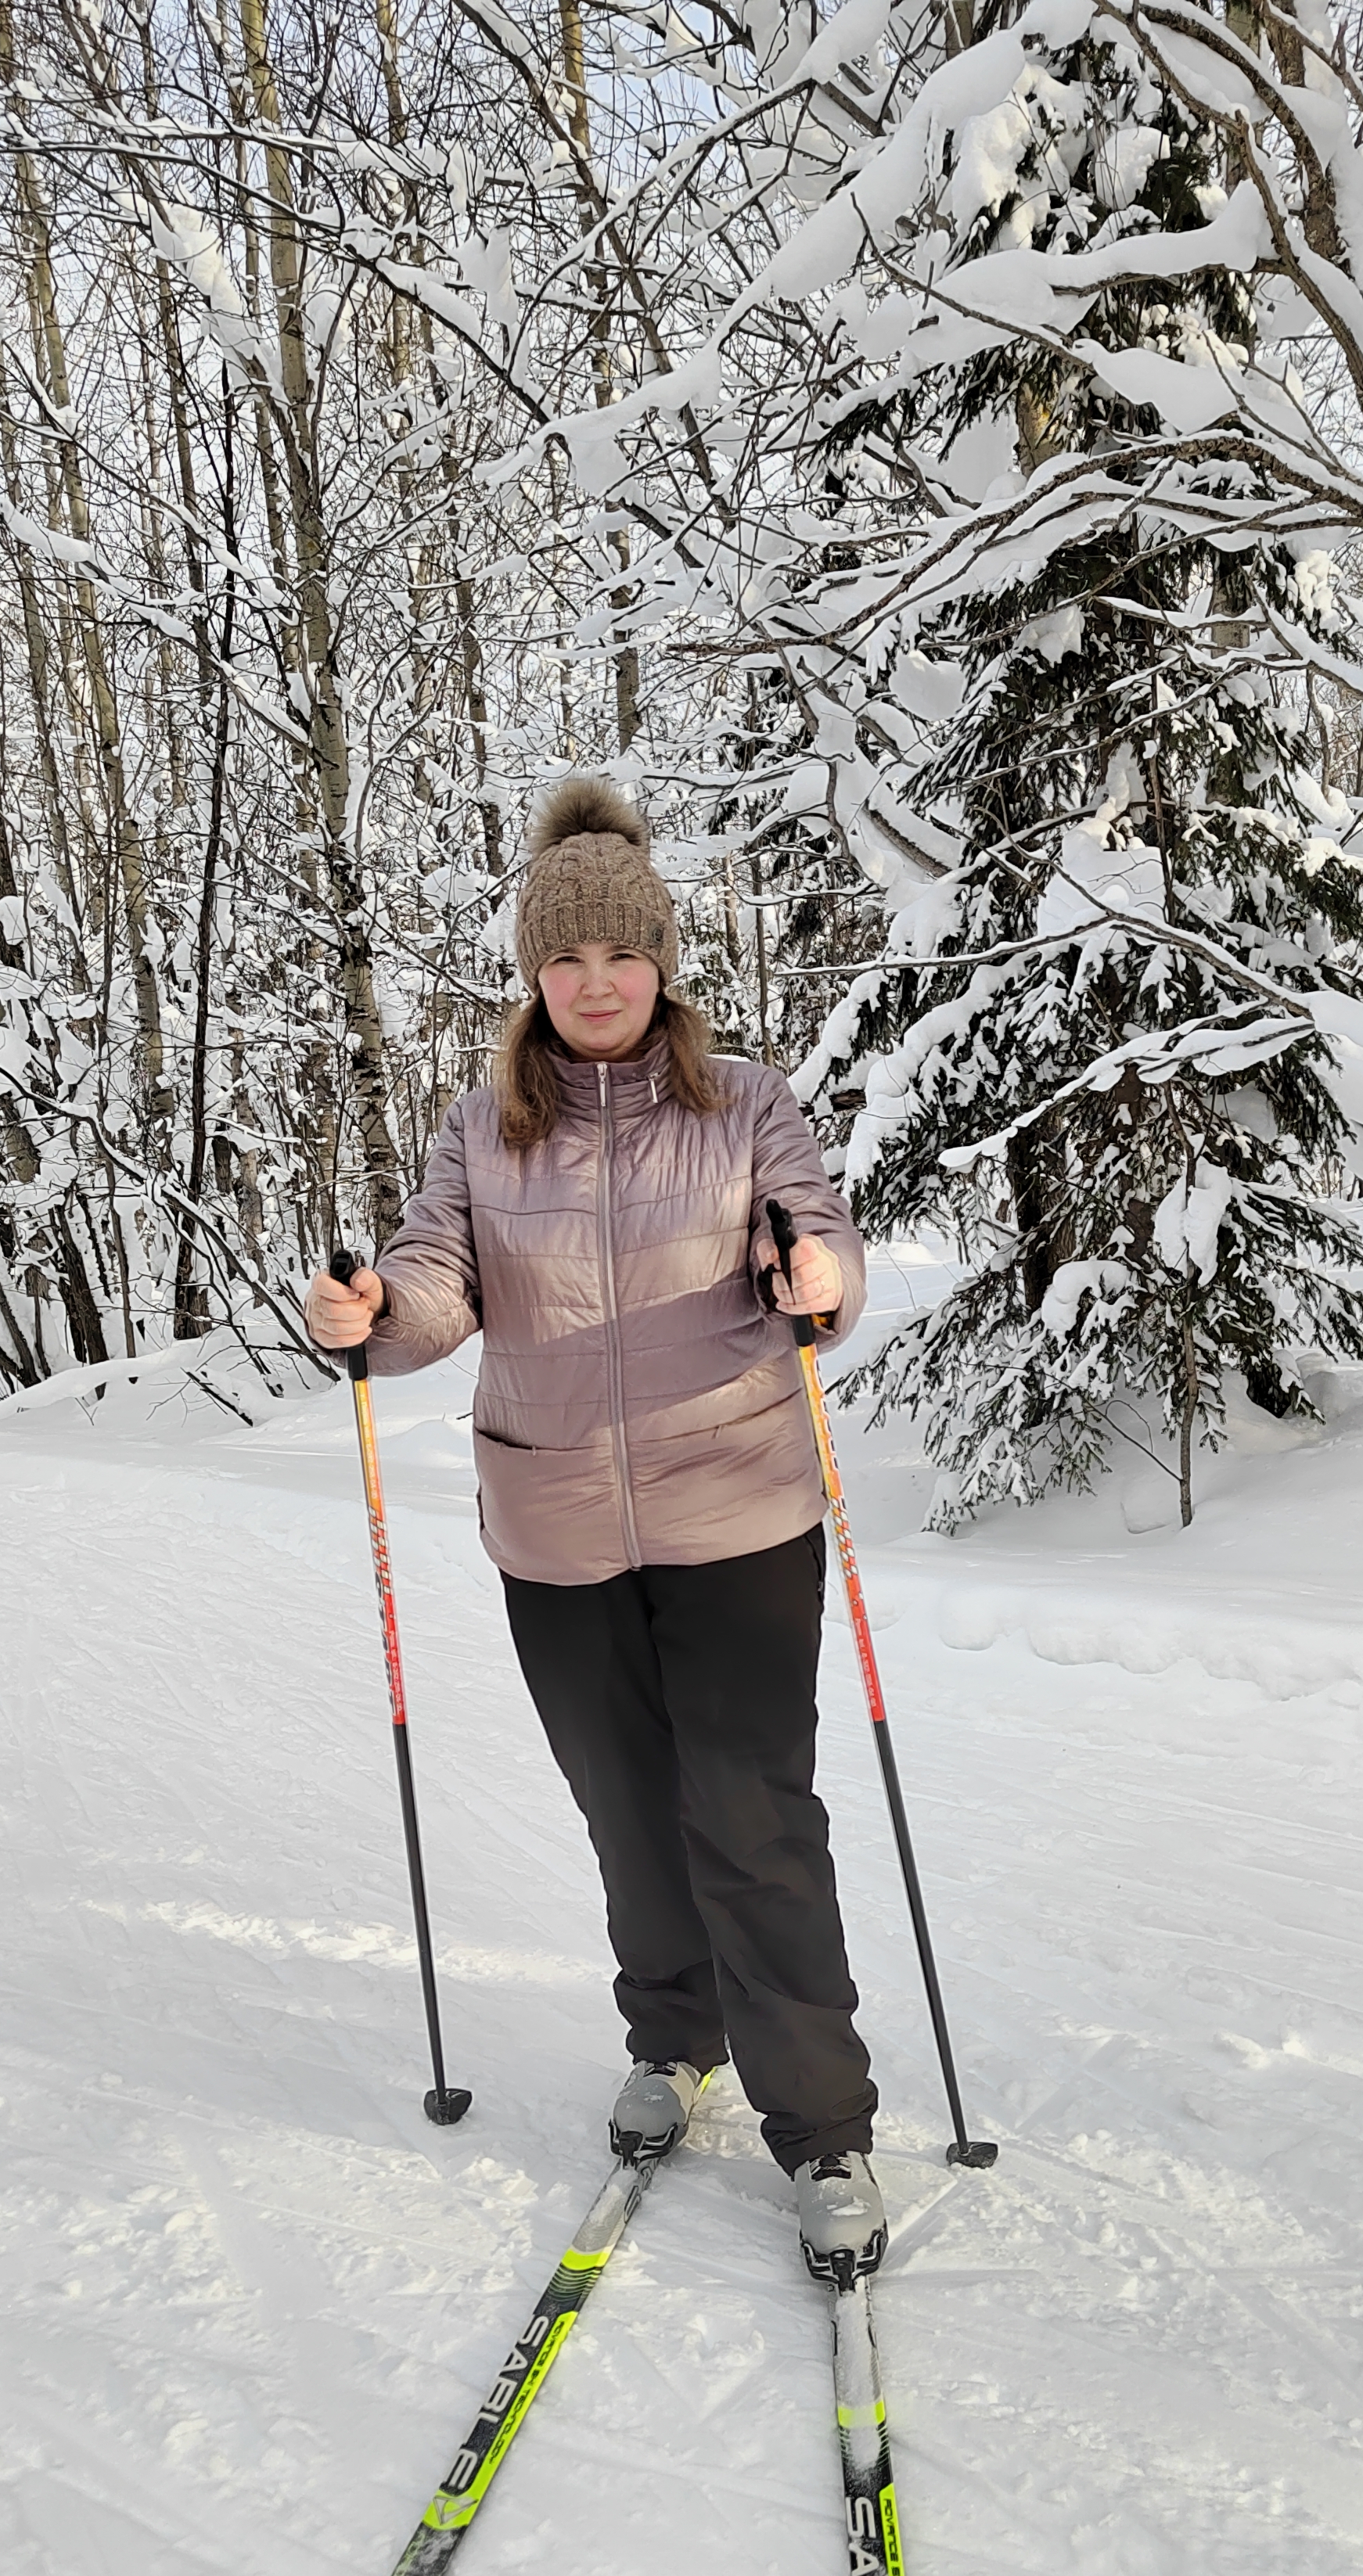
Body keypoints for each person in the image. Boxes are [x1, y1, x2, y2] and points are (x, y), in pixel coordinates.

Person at [305, 778, 887, 2276]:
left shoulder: (744, 1101)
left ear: (661, 958)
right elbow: (441, 1284)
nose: (597, 983)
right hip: (557, 1525)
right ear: (533, 975)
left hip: (740, 1510)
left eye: (621, 954)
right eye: (567, 961)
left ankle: (822, 2128)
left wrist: (814, 1272)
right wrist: (375, 1317)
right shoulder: (483, 1127)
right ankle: (675, 2035)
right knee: (628, 1811)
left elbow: (815, 1237)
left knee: (751, 1819)